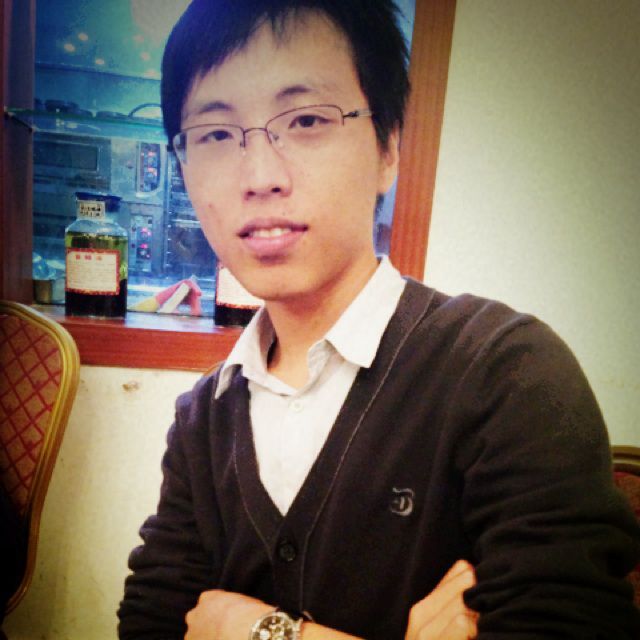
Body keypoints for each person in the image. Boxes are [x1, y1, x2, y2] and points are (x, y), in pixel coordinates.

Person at [118, 1, 640, 638]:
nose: (259, 176)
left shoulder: (506, 374)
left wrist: (263, 632)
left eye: (306, 119)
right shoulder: (203, 420)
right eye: (216, 135)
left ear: (388, 146)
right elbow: (150, 623)